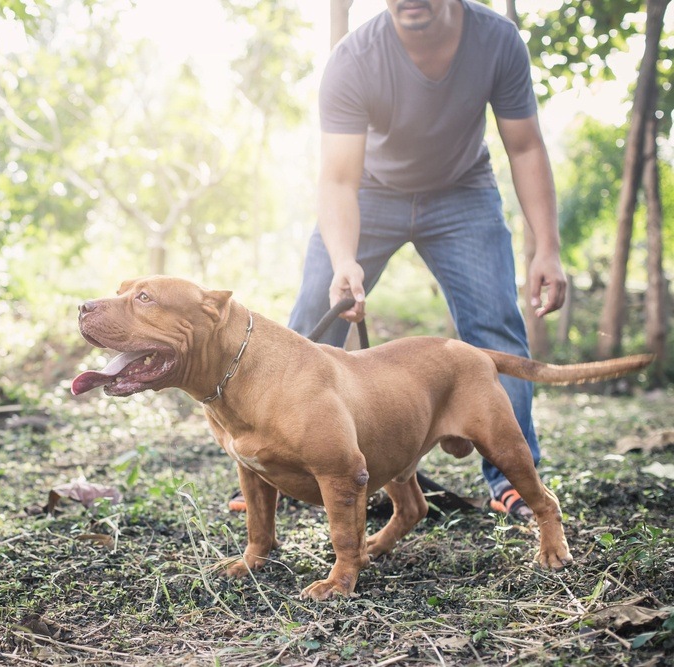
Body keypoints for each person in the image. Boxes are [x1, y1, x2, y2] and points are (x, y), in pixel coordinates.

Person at [230, 0, 566, 519]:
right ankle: (275, 472)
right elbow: (339, 178)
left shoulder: (497, 41)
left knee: (496, 331)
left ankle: (512, 482)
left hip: (463, 193)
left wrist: (547, 246)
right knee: (305, 332)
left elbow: (524, 147)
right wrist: (344, 259)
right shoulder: (355, 58)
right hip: (369, 194)